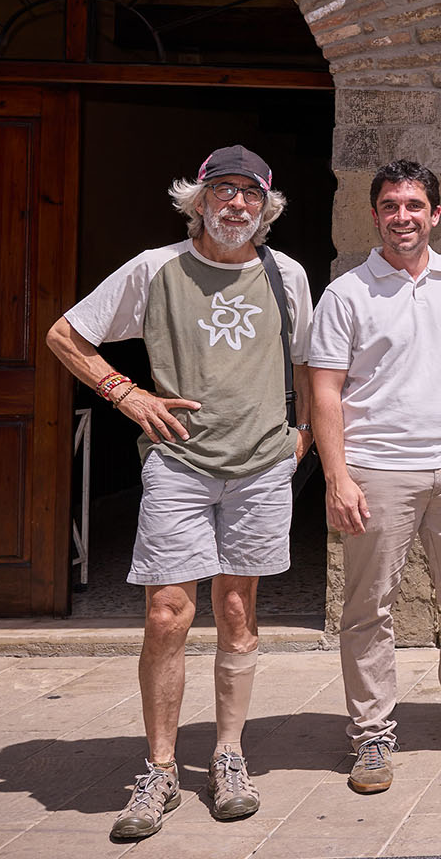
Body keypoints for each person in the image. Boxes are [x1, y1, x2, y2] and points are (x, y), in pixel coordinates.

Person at [44, 146, 312, 838]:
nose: (235, 205)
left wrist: (303, 435)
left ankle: (228, 755)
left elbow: (309, 359)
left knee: (235, 610)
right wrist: (128, 395)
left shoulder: (287, 274)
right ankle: (160, 769)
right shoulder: (154, 268)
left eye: (249, 195)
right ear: (196, 201)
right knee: (167, 612)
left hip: (258, 465)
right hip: (178, 463)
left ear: (267, 207)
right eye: (221, 191)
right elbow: (65, 335)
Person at [308, 159, 441, 794]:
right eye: (391, 206)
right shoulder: (347, 293)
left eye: (415, 205)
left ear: (436, 213)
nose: (403, 217)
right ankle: (372, 735)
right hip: (377, 471)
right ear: (374, 215)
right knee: (369, 608)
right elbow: (324, 389)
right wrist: (338, 477)